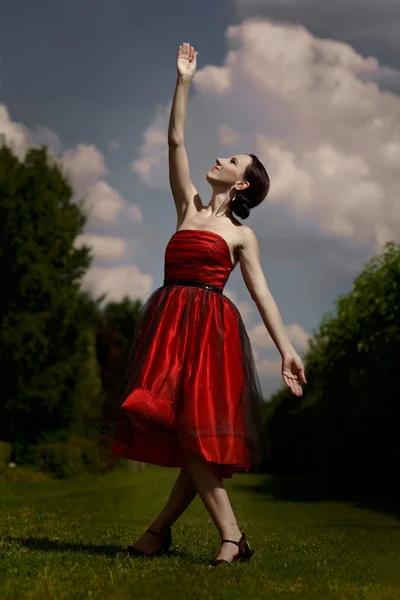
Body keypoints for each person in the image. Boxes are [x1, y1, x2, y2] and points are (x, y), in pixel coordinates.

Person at [83, 42, 307, 567]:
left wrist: (287, 351)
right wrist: (184, 81)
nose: (218, 159)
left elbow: (262, 294)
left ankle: (214, 536)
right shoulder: (187, 205)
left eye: (230, 160)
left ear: (243, 182)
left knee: (195, 437)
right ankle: (178, 533)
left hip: (210, 334)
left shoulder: (240, 237)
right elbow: (176, 139)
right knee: (185, 434)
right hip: (168, 327)